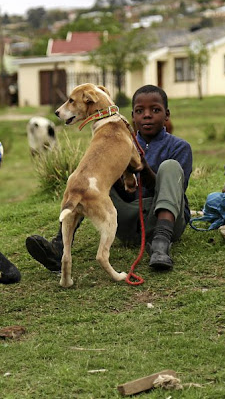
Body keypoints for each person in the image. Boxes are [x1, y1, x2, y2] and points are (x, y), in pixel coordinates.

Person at [26, 85, 193, 271]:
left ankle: (161, 246)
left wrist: (142, 169)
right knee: (86, 180)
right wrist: (120, 178)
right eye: (139, 111)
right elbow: (124, 194)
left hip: (166, 224)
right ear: (132, 116)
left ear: (167, 114)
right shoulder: (116, 144)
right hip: (128, 224)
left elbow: (174, 195)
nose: (147, 115)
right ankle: (59, 248)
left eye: (155, 110)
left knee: (169, 166)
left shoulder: (180, 147)